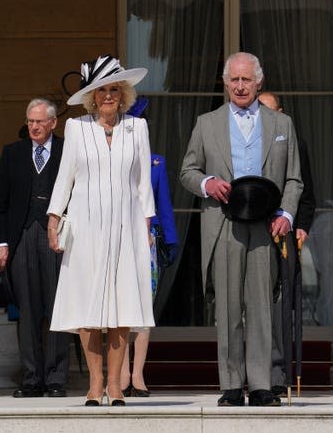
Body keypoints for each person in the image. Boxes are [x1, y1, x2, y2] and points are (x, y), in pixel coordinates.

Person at [180, 52, 303, 407]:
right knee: (229, 308)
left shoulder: (282, 125)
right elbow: (187, 170)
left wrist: (287, 215)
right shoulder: (207, 123)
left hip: (266, 226)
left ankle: (263, 384)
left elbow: (294, 178)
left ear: (258, 82)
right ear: (225, 82)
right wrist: (207, 184)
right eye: (234, 80)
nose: (240, 86)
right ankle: (232, 385)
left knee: (262, 307)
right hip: (225, 224)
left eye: (246, 80)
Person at [47, 55, 155, 407]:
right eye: (101, 91)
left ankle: (116, 386)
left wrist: (147, 225)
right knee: (87, 308)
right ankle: (95, 384)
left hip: (126, 228)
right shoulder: (77, 128)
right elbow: (65, 176)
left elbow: (142, 184)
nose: (108, 96)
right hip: (85, 228)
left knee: (122, 309)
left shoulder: (136, 128)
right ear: (92, 97)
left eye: (113, 90)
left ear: (123, 94)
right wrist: (54, 217)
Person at [0, 98, 70, 398]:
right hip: (22, 237)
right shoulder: (13, 153)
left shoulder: (67, 150)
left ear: (53, 123)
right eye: (30, 121)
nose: (34, 126)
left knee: (57, 308)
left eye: (39, 121)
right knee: (27, 309)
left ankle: (56, 379)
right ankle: (31, 378)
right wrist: (1, 242)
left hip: (58, 237)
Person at [258, 91, 316, 396]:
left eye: (271, 112)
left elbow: (306, 192)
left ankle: (278, 375)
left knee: (281, 308)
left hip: (284, 233)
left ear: (281, 113)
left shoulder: (295, 142)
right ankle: (254, 374)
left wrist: (301, 224)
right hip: (253, 231)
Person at [120, 98, 179, 397]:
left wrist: (170, 240)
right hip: (117, 240)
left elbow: (164, 204)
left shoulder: (157, 162)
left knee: (143, 308)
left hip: (147, 243)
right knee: (118, 309)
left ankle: (138, 375)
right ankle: (120, 375)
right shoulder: (113, 158)